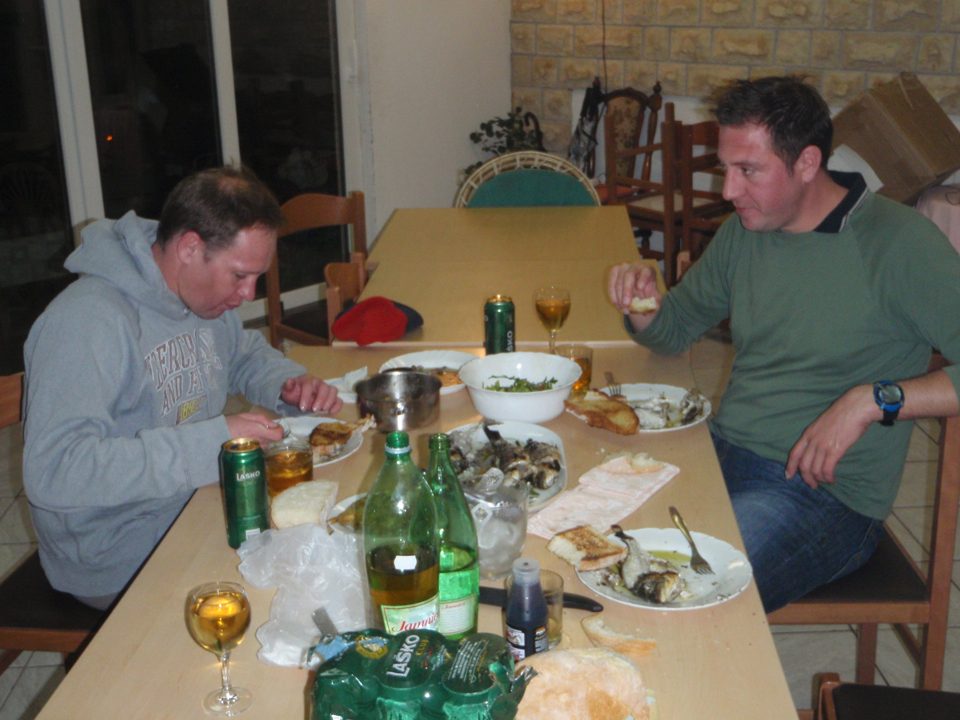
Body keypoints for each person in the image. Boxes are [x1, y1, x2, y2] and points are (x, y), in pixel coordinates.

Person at [608, 76, 960, 612]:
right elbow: (675, 329)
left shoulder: (900, 244)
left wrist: (872, 400)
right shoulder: (744, 231)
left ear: (807, 163)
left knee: (683, 596)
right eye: (726, 168)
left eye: (748, 170)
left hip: (824, 499)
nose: (729, 191)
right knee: (590, 534)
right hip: (721, 453)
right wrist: (645, 309)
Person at [22, 166, 342, 610]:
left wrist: (287, 384)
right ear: (190, 247)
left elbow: (242, 353)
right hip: (118, 552)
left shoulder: (200, 298)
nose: (248, 294)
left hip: (191, 501)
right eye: (239, 276)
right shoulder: (86, 322)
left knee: (332, 543)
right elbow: (55, 472)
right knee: (292, 597)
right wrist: (212, 444)